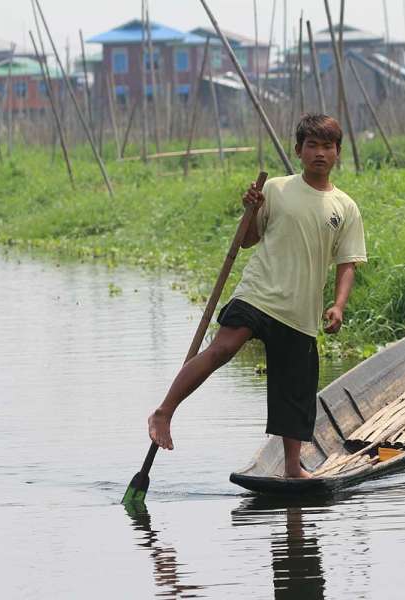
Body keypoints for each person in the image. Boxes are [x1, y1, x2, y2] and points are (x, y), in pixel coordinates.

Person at [148, 113, 367, 478]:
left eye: (327, 146)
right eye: (311, 145)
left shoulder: (345, 207)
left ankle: (293, 468)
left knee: (294, 391)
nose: (319, 153)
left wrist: (339, 305)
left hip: (300, 310)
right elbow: (247, 240)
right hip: (259, 293)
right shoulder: (276, 189)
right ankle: (164, 411)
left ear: (338, 153)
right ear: (298, 150)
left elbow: (348, 263)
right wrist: (251, 210)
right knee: (223, 348)